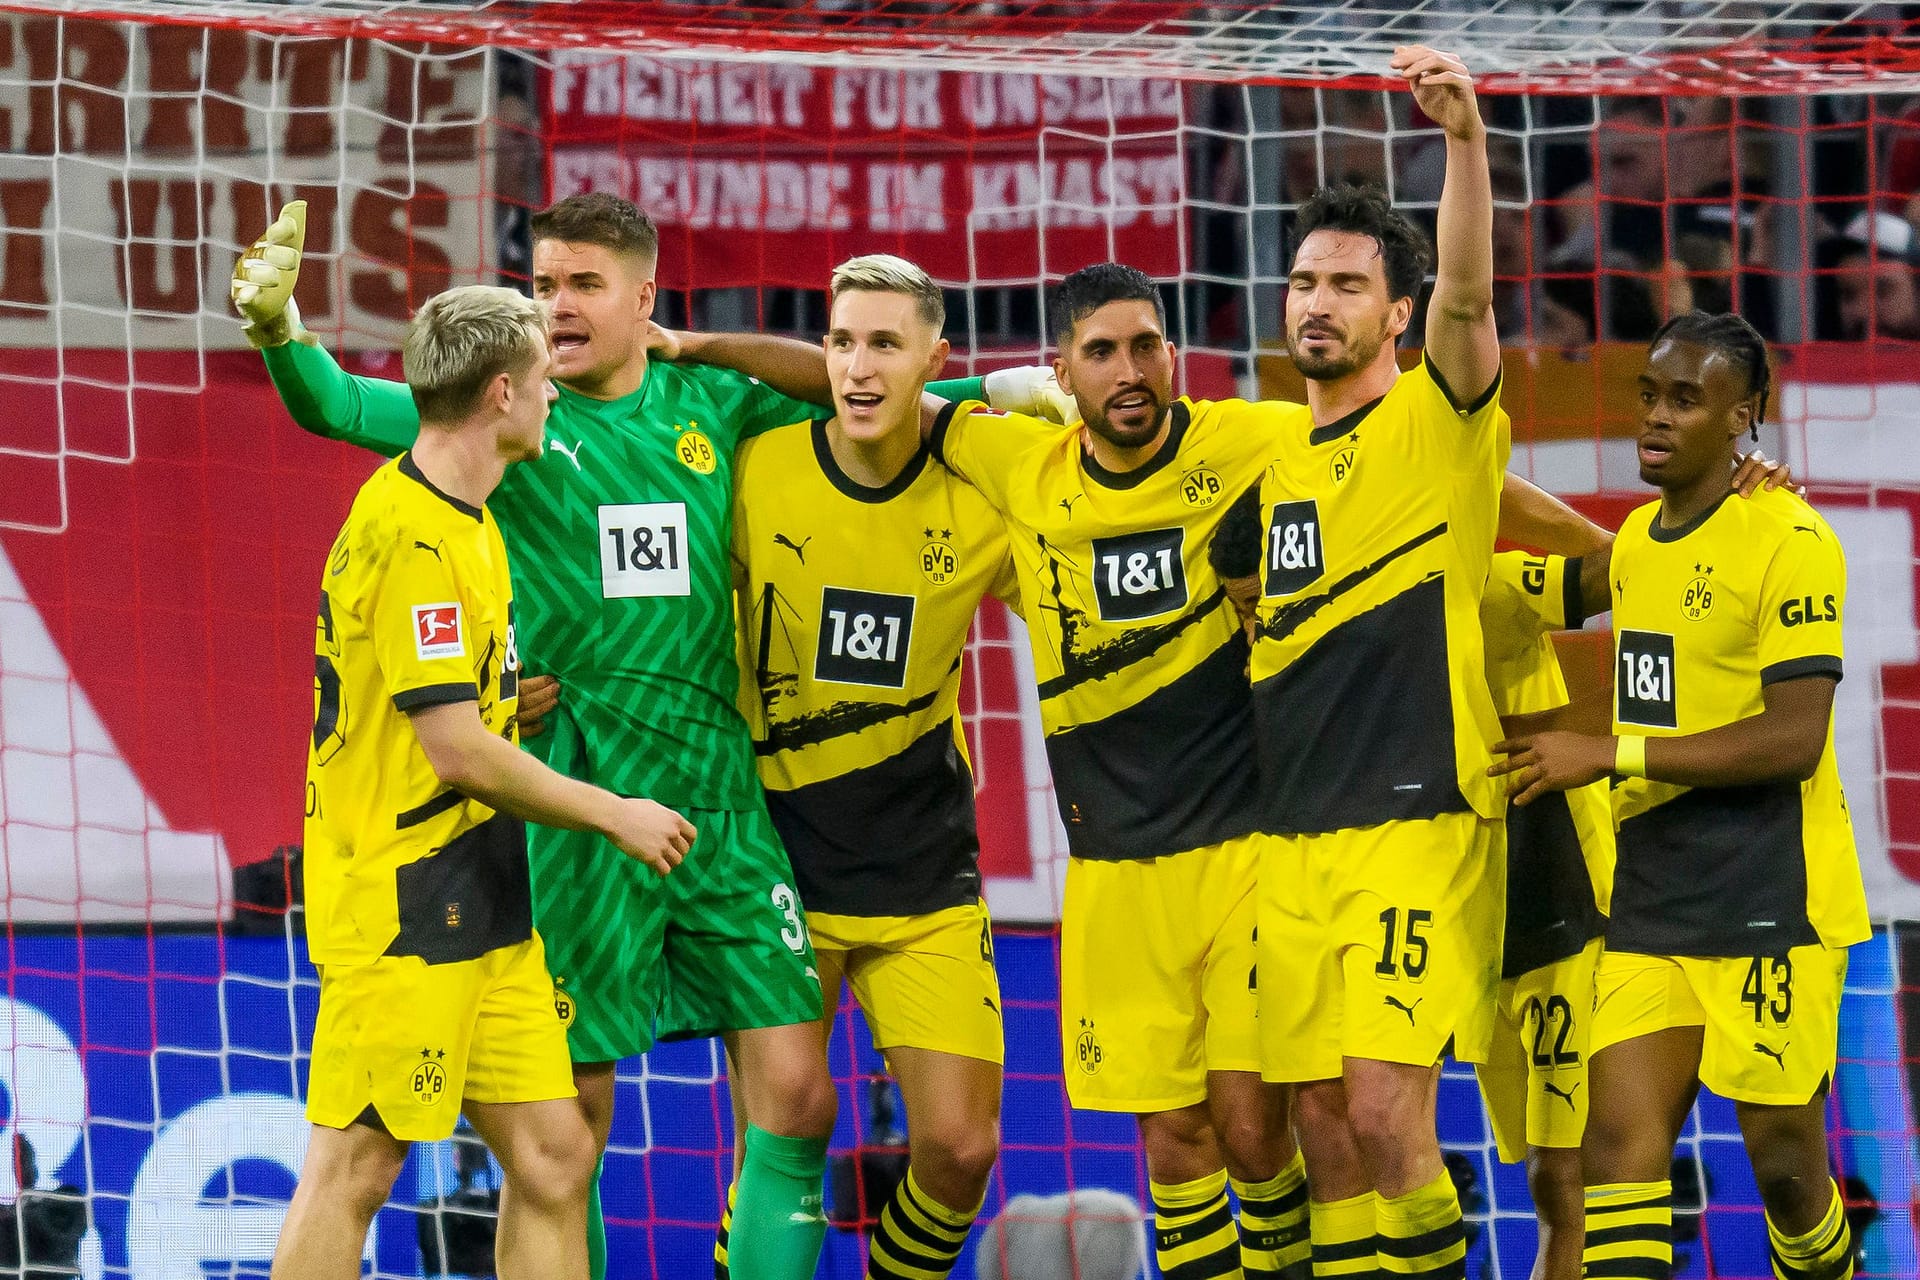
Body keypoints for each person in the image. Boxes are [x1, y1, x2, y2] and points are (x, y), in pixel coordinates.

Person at [233, 194, 1053, 1280]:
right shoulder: (508, 410)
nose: (556, 306)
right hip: (579, 801)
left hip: (720, 797)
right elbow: (337, 405)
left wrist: (982, 391)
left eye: (582, 285)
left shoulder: (715, 402)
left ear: (643, 299)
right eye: (543, 284)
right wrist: (283, 336)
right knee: (572, 1120)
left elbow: (868, 392)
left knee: (799, 1095)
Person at [271, 285, 693, 1280]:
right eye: (546, 378)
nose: (556, 395)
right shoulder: (414, 535)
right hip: (401, 903)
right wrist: (613, 812)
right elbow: (454, 750)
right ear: (503, 391)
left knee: (553, 1157)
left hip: (487, 907)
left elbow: (456, 706)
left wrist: (508, 696)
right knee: (355, 1168)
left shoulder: (470, 514)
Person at [1492, 311, 1869, 1280]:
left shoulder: (1790, 539)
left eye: (1685, 399)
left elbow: (1795, 739)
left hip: (1769, 894)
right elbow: (1532, 584)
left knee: (1787, 1170)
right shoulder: (1637, 549)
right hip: (1652, 903)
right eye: (1649, 394)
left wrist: (1608, 752)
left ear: (1742, 416)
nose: (1655, 417)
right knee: (1617, 1151)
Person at [1243, 46, 1504, 1280]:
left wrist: (1460, 141)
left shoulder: (1435, 417)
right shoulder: (1272, 461)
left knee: (1394, 1114)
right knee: (1326, 1130)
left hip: (1415, 818)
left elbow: (1467, 296)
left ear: (1394, 311)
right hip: (1290, 831)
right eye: (1302, 281)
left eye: (1346, 284)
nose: (1316, 303)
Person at [725, 254, 1018, 1280]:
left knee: (961, 1145)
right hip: (775, 852)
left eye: (884, 344)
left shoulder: (987, 493)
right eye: (842, 341)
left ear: (936, 361)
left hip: (920, 855)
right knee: (788, 1120)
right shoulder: (757, 466)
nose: (856, 366)